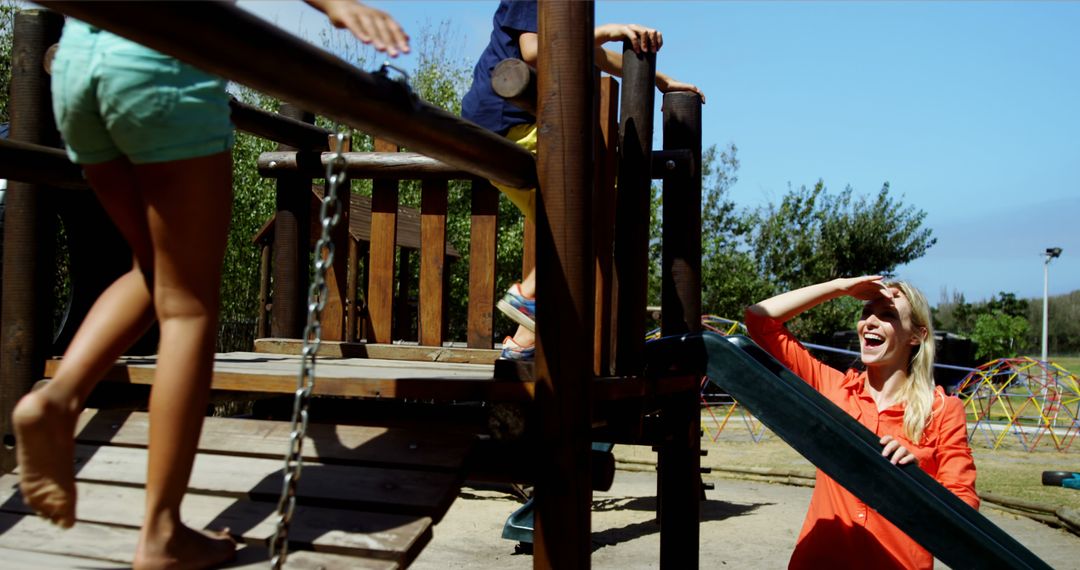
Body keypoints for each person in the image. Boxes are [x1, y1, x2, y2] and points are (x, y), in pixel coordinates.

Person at [11, 2, 408, 568]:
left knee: (153, 272)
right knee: (189, 307)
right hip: (161, 57)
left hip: (78, 62)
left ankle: (58, 396)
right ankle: (161, 534)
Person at [461, 0, 705, 360]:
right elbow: (534, 51)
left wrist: (659, 80)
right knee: (589, 208)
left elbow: (596, 56)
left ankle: (521, 343)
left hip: (506, 122)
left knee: (586, 223)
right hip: (508, 118)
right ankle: (527, 294)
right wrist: (607, 31)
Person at [744, 276, 979, 569]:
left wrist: (917, 482)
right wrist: (840, 287)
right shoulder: (832, 388)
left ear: (916, 336)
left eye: (887, 315)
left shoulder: (944, 410)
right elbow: (759, 320)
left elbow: (964, 511)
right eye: (866, 313)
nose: (870, 322)